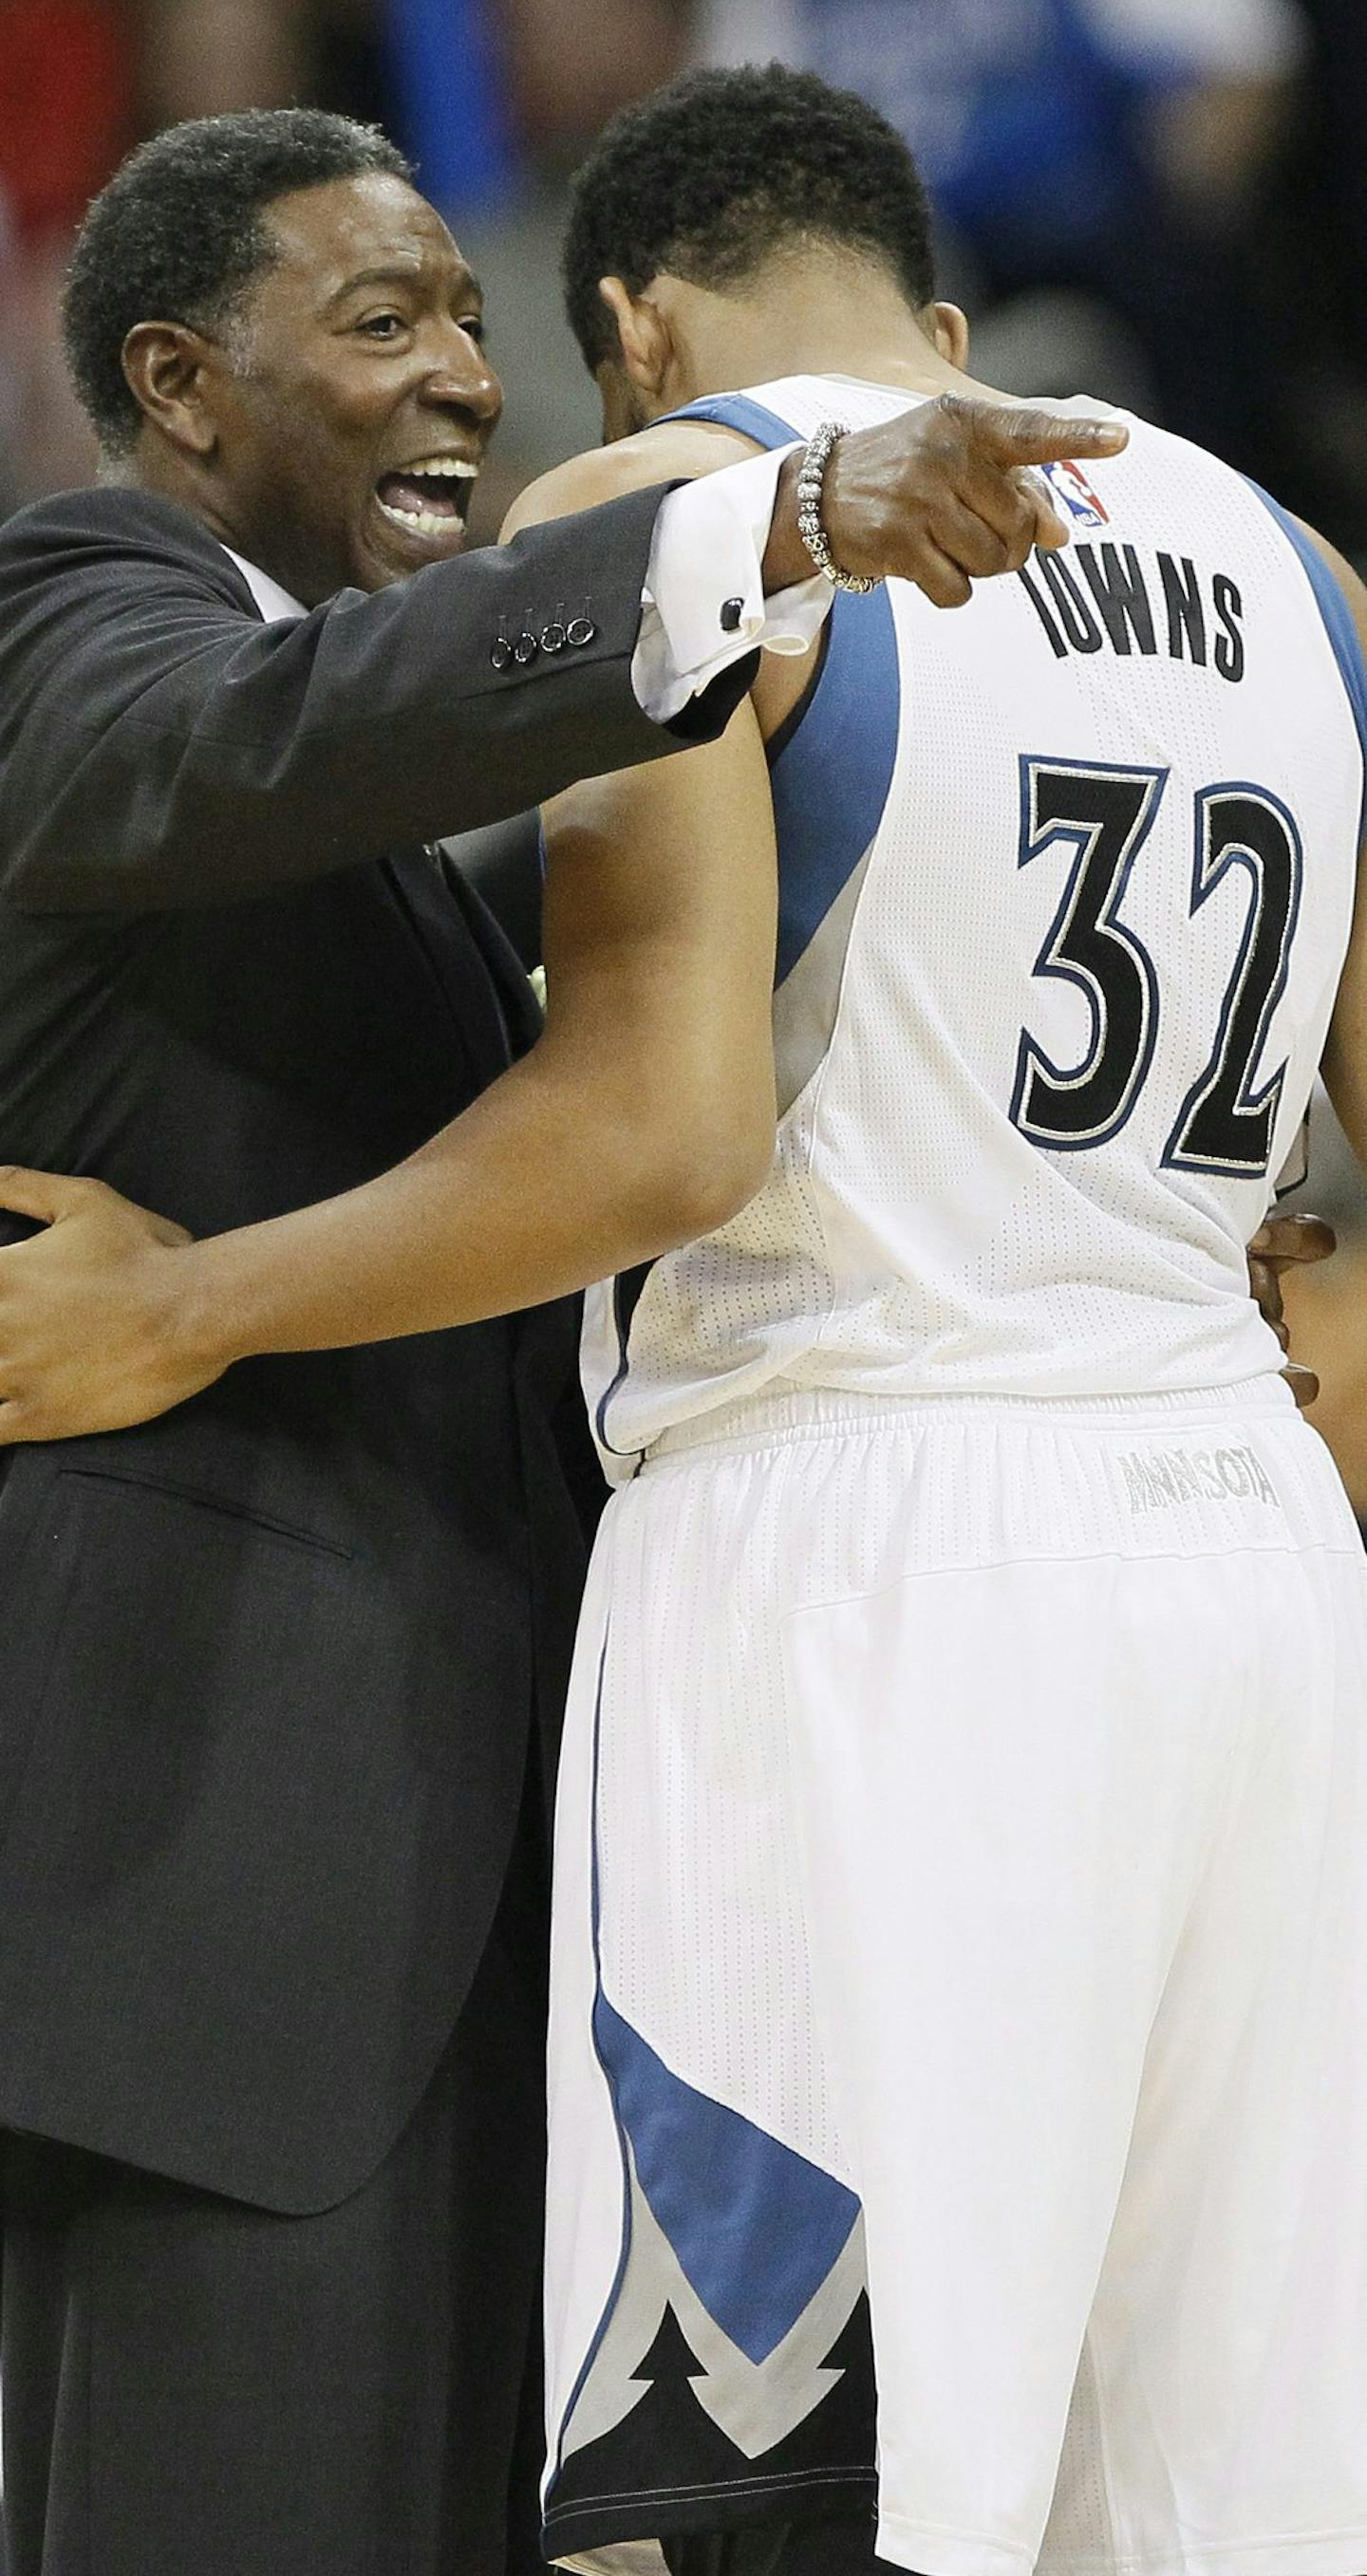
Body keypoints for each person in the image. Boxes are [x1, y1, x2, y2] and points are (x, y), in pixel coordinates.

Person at [7, 57, 1362, 2576]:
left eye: (482, 315)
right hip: (1252, 1580)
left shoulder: (670, 513)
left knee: (790, 2505)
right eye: (383, 314)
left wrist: (188, 1299)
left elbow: (660, 1134)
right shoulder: (1296, 562)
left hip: (860, 1574)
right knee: (1194, 2504)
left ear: (630, 328)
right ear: (941, 320)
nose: (468, 369)